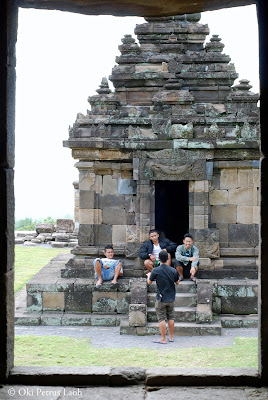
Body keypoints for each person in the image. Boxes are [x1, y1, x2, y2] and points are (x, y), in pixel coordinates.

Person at [147, 250, 179, 344]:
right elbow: (177, 282)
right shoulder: (173, 270)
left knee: (161, 318)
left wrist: (149, 275)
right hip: (171, 297)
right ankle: (171, 337)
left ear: (158, 259)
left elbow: (149, 282)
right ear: (168, 258)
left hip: (161, 298)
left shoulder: (155, 270)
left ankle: (163, 338)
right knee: (171, 317)